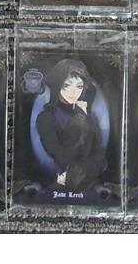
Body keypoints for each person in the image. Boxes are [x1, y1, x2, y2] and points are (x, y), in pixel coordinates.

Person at [33, 61, 108, 195]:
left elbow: (101, 156)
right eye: (67, 85)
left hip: (90, 188)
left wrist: (78, 171)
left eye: (79, 86)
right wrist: (79, 120)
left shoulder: (88, 116)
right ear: (57, 85)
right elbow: (63, 157)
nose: (73, 92)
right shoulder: (46, 118)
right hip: (57, 190)